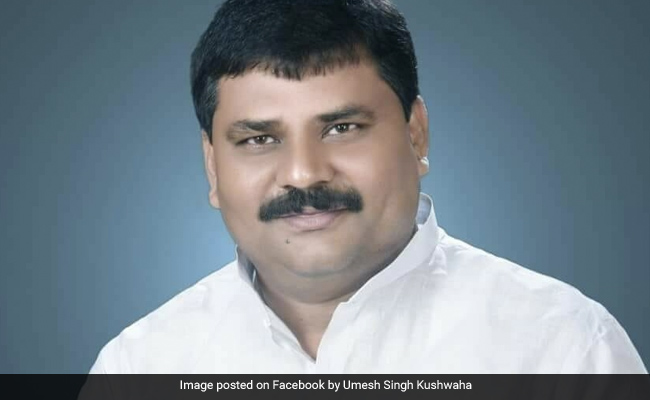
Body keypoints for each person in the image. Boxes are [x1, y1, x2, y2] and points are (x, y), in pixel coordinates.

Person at [88, 0, 647, 373]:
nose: (303, 173)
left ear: (415, 132)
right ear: (213, 167)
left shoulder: (565, 351)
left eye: (342, 128)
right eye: (259, 139)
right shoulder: (140, 367)